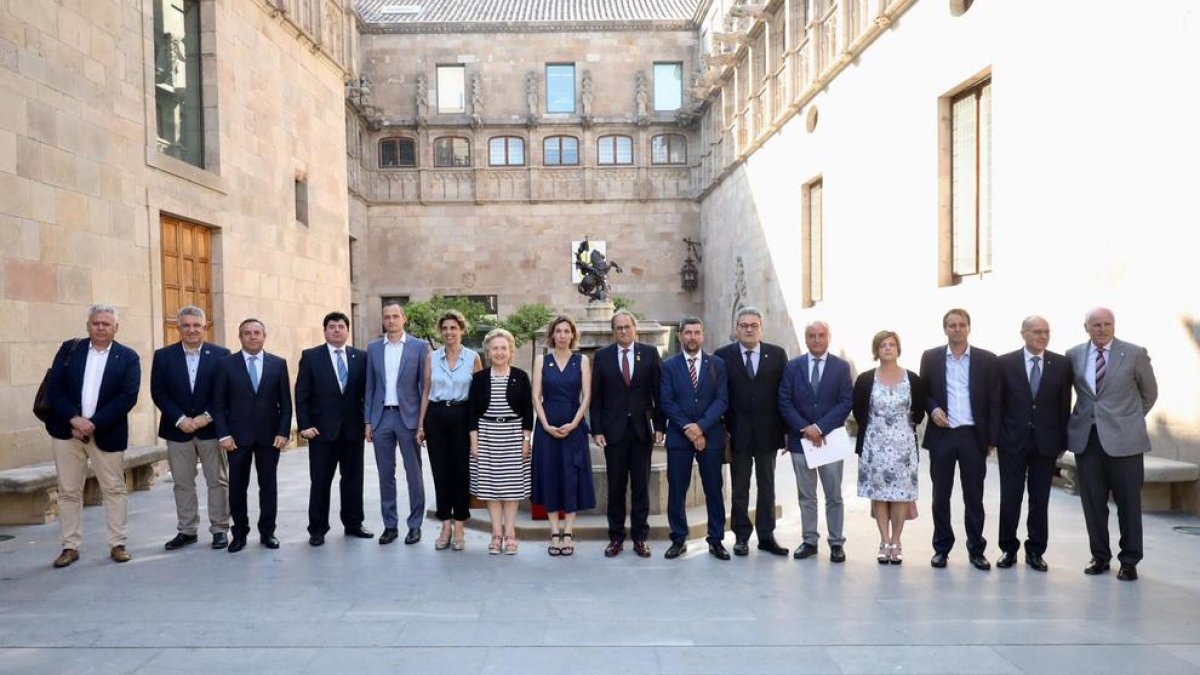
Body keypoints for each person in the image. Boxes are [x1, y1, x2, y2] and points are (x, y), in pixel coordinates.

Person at [44, 303, 141, 568]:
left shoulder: (128, 357)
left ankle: (117, 544)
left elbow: (127, 397)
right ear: (88, 325)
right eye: (96, 323)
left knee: (114, 489)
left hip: (106, 433)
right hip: (67, 432)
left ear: (116, 328)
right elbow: (55, 388)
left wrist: (93, 423)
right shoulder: (70, 350)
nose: (100, 327)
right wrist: (73, 419)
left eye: (106, 324)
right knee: (68, 491)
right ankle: (69, 546)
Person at [1066, 307, 1157, 581]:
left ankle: (1129, 561)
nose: (1102, 329)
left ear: (1114, 326)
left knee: (1128, 503)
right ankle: (1099, 556)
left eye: (1107, 324)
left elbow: (1149, 393)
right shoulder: (1073, 356)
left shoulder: (1134, 353)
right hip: (1087, 440)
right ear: (1086, 327)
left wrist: (1128, 420)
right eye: (1096, 325)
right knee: (1093, 503)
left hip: (1125, 443)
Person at [919, 308, 1000, 571]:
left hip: (972, 436)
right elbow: (924, 392)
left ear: (969, 328)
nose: (957, 329)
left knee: (973, 497)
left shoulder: (987, 360)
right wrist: (932, 410)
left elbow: (994, 400)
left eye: (961, 325)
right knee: (940, 496)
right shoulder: (930, 357)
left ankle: (976, 550)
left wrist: (991, 439)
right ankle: (941, 548)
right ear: (945, 329)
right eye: (952, 325)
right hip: (942, 435)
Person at [150, 305, 231, 551]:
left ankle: (219, 529)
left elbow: (226, 392)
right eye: (186, 325)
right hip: (177, 431)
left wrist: (207, 416)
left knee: (217, 481)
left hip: (210, 429)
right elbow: (159, 392)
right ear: (178, 328)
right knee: (182, 482)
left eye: (196, 325)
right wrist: (179, 419)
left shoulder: (222, 355)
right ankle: (187, 530)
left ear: (205, 327)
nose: (191, 330)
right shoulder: (163, 356)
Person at [995, 315, 1072, 572]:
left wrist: (1062, 440)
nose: (1042, 336)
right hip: (1012, 442)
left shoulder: (1060, 364)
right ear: (1023, 333)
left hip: (1046, 443)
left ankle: (1036, 551)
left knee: (1040, 499)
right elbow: (997, 404)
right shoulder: (1005, 363)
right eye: (1037, 331)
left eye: (1046, 332)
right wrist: (996, 438)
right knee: (1011, 498)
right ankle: (1007, 548)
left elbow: (1064, 404)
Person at [212, 318, 292, 553]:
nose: (252, 336)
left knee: (268, 486)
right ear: (240, 337)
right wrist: (223, 435)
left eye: (257, 332)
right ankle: (239, 534)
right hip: (236, 439)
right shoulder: (226, 364)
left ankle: (268, 532)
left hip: (270, 438)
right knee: (237, 487)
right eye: (247, 333)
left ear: (264, 336)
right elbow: (218, 404)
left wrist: (283, 431)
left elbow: (285, 404)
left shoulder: (278, 364)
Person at [714, 307, 788, 557]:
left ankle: (766, 536)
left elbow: (784, 395)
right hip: (738, 433)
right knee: (740, 488)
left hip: (769, 433)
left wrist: (787, 431)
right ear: (737, 329)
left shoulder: (777, 355)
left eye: (753, 325)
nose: (748, 329)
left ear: (761, 328)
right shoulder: (722, 356)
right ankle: (741, 536)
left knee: (767, 486)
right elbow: (719, 395)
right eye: (744, 325)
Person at [295, 311, 373, 547]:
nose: (337, 330)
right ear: (325, 330)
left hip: (352, 431)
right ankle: (317, 529)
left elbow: (367, 394)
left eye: (341, 326)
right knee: (320, 481)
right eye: (332, 326)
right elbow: (301, 394)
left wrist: (367, 423)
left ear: (348, 331)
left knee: (353, 480)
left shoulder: (361, 357)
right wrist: (305, 425)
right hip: (321, 432)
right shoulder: (311, 357)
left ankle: (353, 523)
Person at [590, 309, 664, 558]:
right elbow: (596, 396)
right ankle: (616, 537)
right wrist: (597, 429)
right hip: (613, 432)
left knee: (641, 486)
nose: (623, 331)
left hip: (643, 431)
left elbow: (659, 394)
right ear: (613, 331)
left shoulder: (650, 353)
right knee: (616, 487)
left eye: (627, 327)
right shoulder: (602, 356)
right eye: (618, 328)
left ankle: (641, 538)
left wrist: (660, 427)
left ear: (635, 328)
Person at [778, 320, 852, 562]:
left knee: (834, 495)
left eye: (821, 335)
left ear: (828, 337)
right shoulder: (793, 366)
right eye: (812, 335)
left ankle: (836, 542)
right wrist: (806, 429)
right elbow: (785, 400)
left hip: (830, 440)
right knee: (806, 495)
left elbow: (845, 402)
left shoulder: (841, 367)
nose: (817, 340)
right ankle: (809, 540)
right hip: (802, 441)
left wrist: (820, 428)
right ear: (806, 338)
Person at [660, 316, 730, 561]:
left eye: (696, 332)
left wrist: (700, 427)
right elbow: (666, 401)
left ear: (703, 335)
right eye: (687, 332)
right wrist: (689, 429)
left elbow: (722, 400)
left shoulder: (717, 364)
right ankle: (678, 539)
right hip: (679, 437)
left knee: (713, 488)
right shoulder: (668, 366)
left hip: (711, 435)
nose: (692, 337)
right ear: (680, 336)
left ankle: (716, 539)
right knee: (677, 490)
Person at [854, 331, 924, 564]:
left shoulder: (911, 378)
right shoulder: (866, 379)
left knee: (901, 496)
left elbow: (920, 411)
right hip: (875, 446)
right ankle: (884, 540)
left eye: (892, 344)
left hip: (904, 447)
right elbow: (859, 411)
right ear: (876, 350)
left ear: (898, 349)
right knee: (880, 496)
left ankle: (897, 540)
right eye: (883, 345)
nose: (888, 348)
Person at [364, 301, 429, 546]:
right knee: (385, 475)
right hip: (382, 419)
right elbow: (370, 386)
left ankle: (415, 525)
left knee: (414, 473)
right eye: (386, 316)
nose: (390, 320)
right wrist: (368, 420)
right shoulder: (373, 349)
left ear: (404, 319)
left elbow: (424, 387)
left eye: (395, 316)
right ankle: (390, 525)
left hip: (409, 418)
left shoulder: (419, 347)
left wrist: (423, 422)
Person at [417, 310, 482, 551]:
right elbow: (426, 390)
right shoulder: (431, 358)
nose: (449, 332)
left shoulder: (473, 357)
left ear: (461, 330)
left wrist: (477, 429)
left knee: (461, 473)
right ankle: (445, 524)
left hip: (462, 415)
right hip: (436, 415)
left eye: (453, 328)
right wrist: (421, 424)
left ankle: (461, 527)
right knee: (440, 472)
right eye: (445, 328)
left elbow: (477, 396)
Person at [532, 315, 595, 556]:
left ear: (573, 335)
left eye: (566, 331)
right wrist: (545, 424)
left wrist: (574, 423)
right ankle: (554, 531)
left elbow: (586, 397)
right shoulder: (541, 360)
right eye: (558, 331)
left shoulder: (582, 361)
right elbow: (535, 395)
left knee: (571, 476)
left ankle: (568, 531)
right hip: (547, 424)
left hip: (573, 424)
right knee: (550, 475)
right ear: (552, 334)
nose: (562, 335)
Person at [469, 329, 534, 555]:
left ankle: (510, 535)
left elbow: (528, 411)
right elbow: (472, 414)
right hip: (486, 436)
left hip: (514, 435)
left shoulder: (520, 376)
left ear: (510, 351)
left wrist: (526, 440)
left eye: (503, 348)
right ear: (488, 351)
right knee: (491, 489)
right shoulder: (479, 379)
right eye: (495, 348)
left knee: (512, 489)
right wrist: (474, 443)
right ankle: (496, 536)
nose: (499, 352)